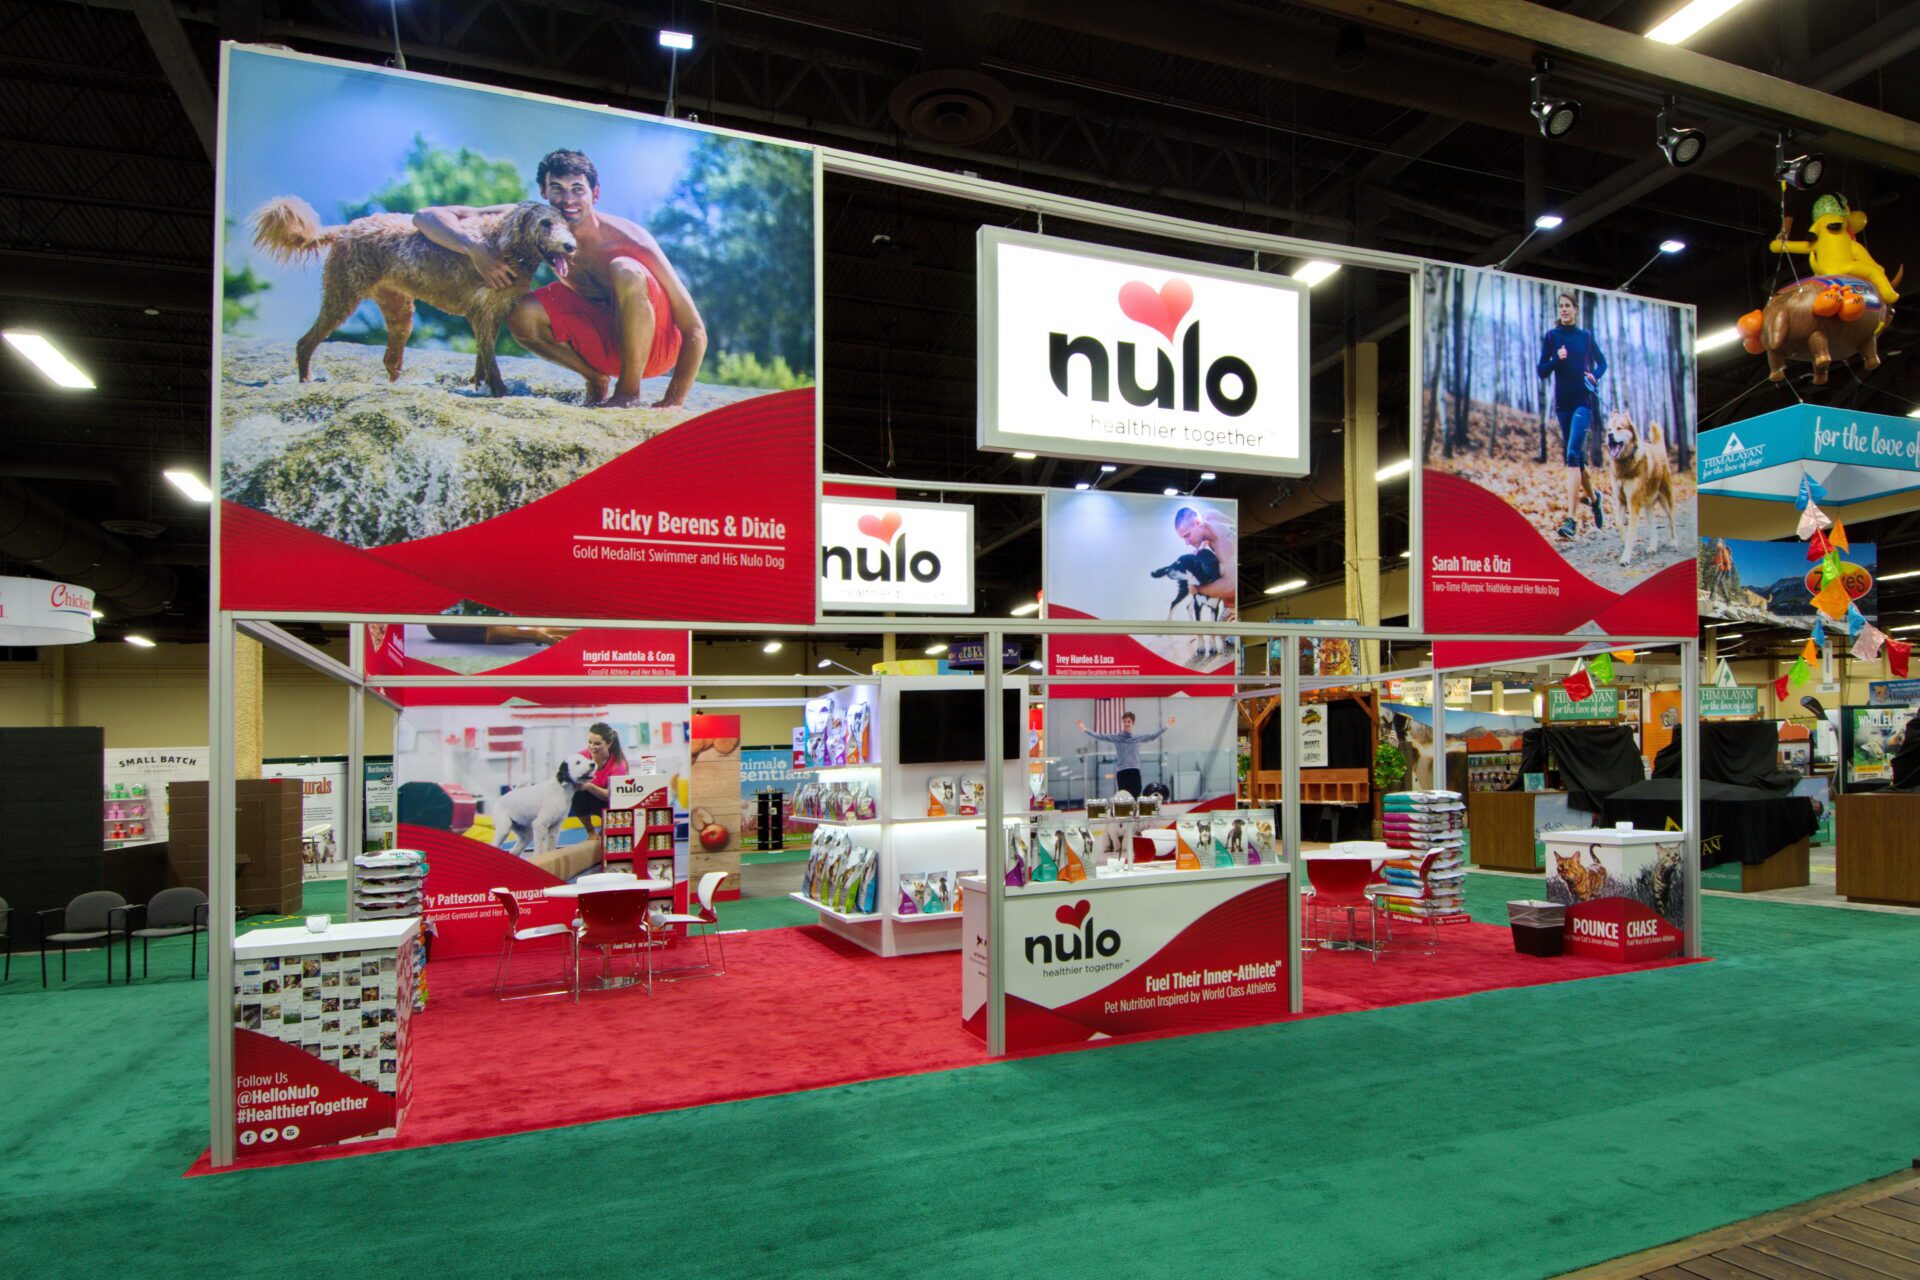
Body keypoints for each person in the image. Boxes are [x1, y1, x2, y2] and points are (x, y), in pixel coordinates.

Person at [413, 148, 708, 409]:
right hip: (606, 343)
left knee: (625, 269)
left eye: (577, 189)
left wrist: (674, 400)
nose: (568, 199)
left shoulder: (631, 240)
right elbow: (426, 216)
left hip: (658, 348)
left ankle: (628, 393)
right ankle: (595, 379)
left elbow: (695, 329)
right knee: (520, 311)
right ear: (543, 192)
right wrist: (475, 250)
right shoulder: (533, 219)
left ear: (595, 194)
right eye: (557, 188)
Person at [1536, 290, 1609, 541]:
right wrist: (1556, 358)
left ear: (1576, 310)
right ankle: (1595, 498)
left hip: (1583, 403)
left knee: (1571, 456)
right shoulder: (1552, 337)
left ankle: (1571, 519)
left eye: (1568, 306)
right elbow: (1541, 370)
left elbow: (1603, 363)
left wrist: (1594, 376)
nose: (1564, 309)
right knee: (1578, 460)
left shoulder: (1586, 337)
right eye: (1561, 306)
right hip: (1562, 405)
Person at [1076, 711, 1175, 797]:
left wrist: (1167, 726)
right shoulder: (1117, 737)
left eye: (1129, 721)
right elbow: (1100, 736)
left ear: (1132, 722)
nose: (1127, 724)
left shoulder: (1138, 737)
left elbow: (1153, 736)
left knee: (1136, 796)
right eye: (1125, 721)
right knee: (1124, 798)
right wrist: (1085, 729)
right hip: (1122, 772)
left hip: (1134, 771)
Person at [570, 722, 629, 867]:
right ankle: (590, 831)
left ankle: (605, 830)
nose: (592, 747)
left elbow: (614, 796)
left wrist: (590, 786)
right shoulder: (581, 757)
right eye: (590, 742)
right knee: (577, 794)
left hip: (609, 803)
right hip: (587, 800)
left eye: (597, 743)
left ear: (608, 744)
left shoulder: (618, 764)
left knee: (606, 841)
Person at [1173, 506, 1237, 608]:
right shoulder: (1208, 516)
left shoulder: (1224, 544)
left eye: (1187, 535)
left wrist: (1197, 589)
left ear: (1197, 522)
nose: (1186, 542)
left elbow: (1231, 587)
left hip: (1236, 604)